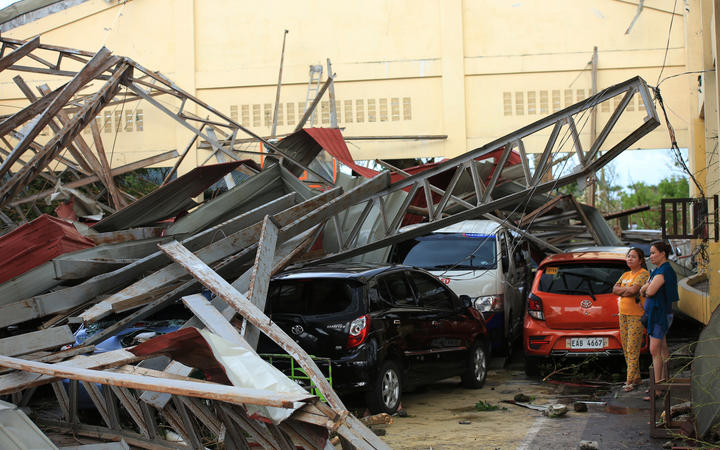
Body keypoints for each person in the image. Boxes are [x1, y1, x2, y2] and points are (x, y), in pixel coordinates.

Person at [639, 240, 679, 400]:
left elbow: (649, 291)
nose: (651, 256)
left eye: (654, 252)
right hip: (657, 313)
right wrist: (646, 288)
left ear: (663, 253)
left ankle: (657, 389)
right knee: (662, 350)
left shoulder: (664, 271)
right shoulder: (658, 270)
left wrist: (646, 289)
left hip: (660, 314)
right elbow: (645, 288)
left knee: (654, 350)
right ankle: (661, 382)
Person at [612, 247, 650, 392]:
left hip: (636, 315)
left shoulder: (643, 274)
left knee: (632, 348)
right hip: (623, 314)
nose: (629, 259)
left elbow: (634, 291)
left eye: (633, 257)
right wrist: (625, 291)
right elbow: (614, 289)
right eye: (628, 256)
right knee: (626, 347)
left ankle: (629, 381)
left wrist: (624, 291)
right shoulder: (625, 274)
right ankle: (637, 377)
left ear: (640, 260)